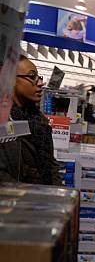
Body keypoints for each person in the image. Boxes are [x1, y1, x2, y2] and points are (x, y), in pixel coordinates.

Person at [0, 55, 62, 185]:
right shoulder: (3, 121)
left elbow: (51, 163)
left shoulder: (40, 121)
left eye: (39, 77)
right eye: (32, 76)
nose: (40, 83)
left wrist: (55, 193)